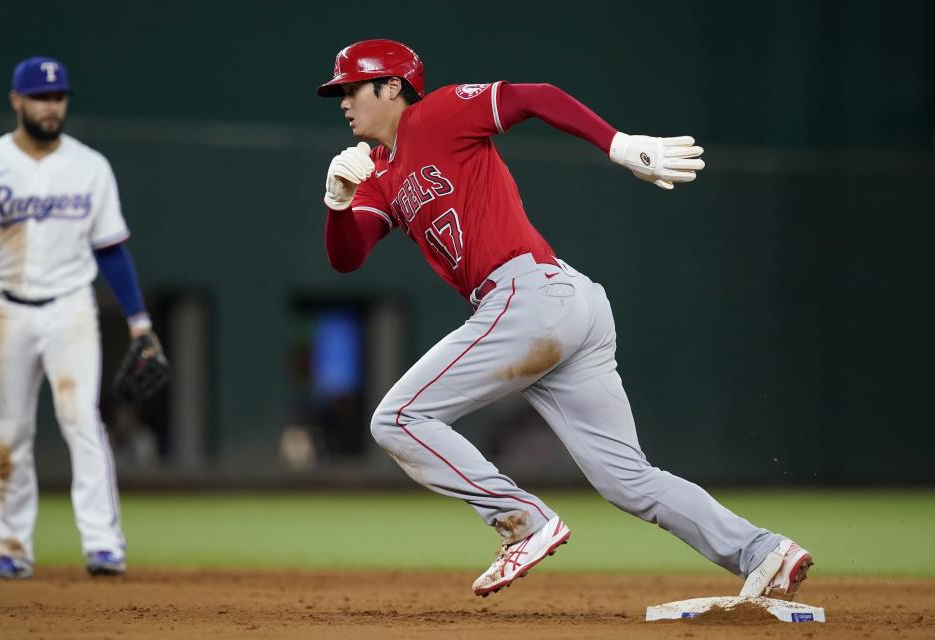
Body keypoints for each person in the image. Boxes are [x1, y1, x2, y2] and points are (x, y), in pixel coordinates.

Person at [316, 39, 813, 599]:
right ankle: (763, 550)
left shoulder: (439, 112)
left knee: (397, 418)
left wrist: (617, 143)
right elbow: (347, 256)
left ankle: (522, 521)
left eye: (351, 88)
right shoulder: (378, 172)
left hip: (527, 294)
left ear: (391, 87)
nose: (342, 101)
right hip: (563, 304)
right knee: (628, 480)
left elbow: (535, 97)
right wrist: (338, 202)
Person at [0, 56, 163, 578]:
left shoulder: (90, 166)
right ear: (17, 100)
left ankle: (104, 545)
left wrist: (139, 321)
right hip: (5, 308)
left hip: (70, 308)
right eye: (40, 96)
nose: (51, 105)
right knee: (8, 435)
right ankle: (12, 547)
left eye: (58, 98)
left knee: (82, 420)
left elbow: (111, 250)